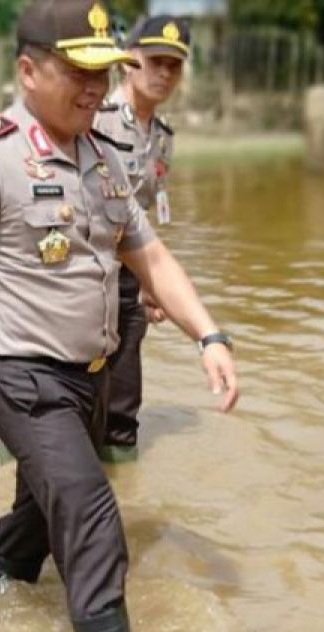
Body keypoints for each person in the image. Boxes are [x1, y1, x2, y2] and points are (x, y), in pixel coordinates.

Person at [0, 0, 239, 632]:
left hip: (90, 378)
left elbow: (153, 258)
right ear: (27, 70)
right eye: (77, 72)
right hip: (20, 378)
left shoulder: (104, 161)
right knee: (93, 517)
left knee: (46, 515)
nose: (93, 89)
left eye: (101, 74)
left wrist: (210, 335)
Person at [92, 14, 188, 463]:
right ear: (129, 61)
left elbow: (146, 212)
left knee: (125, 380)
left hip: (129, 273)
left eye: (174, 65)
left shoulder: (162, 137)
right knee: (73, 376)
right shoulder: (97, 119)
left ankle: (122, 480)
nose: (165, 73)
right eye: (156, 62)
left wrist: (152, 281)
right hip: (86, 270)